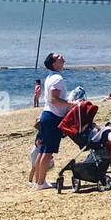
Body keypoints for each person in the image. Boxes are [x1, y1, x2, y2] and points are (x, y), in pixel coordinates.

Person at [31, 52, 73, 189]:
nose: (63, 58)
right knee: (47, 151)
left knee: (43, 150)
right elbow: (53, 99)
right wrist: (71, 104)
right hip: (52, 117)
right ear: (54, 63)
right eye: (60, 57)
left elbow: (51, 99)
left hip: (47, 115)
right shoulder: (56, 78)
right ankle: (41, 182)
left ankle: (38, 181)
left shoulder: (51, 77)